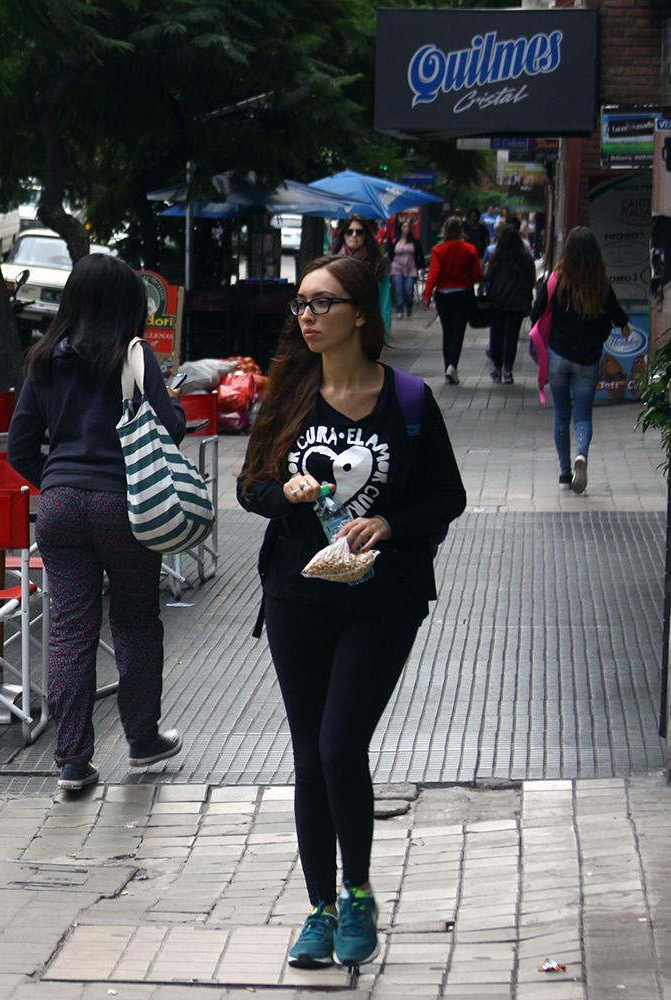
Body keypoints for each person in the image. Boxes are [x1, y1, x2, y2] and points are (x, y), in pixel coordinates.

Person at [237, 254, 465, 970]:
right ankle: (319, 909)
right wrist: (289, 495)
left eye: (322, 303)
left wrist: (390, 526)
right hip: (297, 595)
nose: (306, 316)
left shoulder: (409, 401)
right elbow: (251, 488)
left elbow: (446, 499)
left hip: (383, 599)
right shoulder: (288, 396)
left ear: (360, 315)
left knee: (340, 745)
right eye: (300, 304)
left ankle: (358, 892)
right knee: (312, 754)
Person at [7, 254, 187, 792]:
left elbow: (18, 448)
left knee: (68, 629)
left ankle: (71, 761)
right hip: (126, 505)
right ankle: (142, 738)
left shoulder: (42, 360)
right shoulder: (136, 357)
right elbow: (171, 430)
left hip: (60, 506)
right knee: (134, 621)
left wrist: (60, 481)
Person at [530, 226, 630, 494]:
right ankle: (581, 455)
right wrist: (620, 327)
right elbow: (617, 315)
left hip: (557, 357)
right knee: (583, 415)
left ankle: (564, 472)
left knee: (562, 415)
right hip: (588, 360)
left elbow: (536, 313)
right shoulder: (601, 285)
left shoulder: (555, 280)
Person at [421, 216, 482, 385]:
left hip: (443, 295)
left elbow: (433, 275)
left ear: (445, 230)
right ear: (461, 231)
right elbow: (477, 274)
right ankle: (453, 365)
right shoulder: (470, 249)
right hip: (464, 294)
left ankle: (448, 365)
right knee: (458, 332)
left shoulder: (438, 250)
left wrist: (426, 296)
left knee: (447, 331)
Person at [481, 224, 535, 385]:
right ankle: (508, 371)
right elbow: (531, 279)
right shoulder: (526, 258)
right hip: (517, 303)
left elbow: (488, 277)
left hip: (498, 301)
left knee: (496, 335)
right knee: (511, 337)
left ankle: (497, 368)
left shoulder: (497, 256)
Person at [336, 215, 391, 334]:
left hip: (368, 326)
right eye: (349, 232)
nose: (354, 235)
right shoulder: (333, 262)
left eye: (359, 232)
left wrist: (384, 335)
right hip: (340, 326)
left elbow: (384, 302)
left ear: (365, 236)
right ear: (344, 235)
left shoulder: (377, 263)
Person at [383, 217, 422, 319]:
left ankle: (409, 305)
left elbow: (420, 254)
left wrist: (420, 266)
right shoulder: (395, 240)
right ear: (400, 228)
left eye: (408, 227)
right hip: (397, 268)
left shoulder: (414, 241)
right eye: (404, 227)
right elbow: (390, 254)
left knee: (408, 290)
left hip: (411, 268)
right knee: (399, 291)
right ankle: (399, 310)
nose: (406, 228)